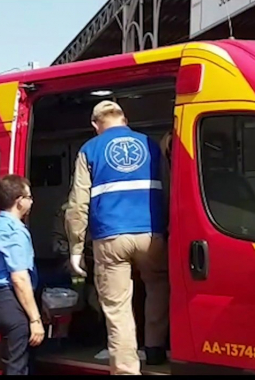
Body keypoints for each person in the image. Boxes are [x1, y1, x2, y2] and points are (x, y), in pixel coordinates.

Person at [65, 100, 170, 375]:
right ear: (124, 119)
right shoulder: (150, 145)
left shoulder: (89, 149)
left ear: (95, 125)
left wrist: (76, 249)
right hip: (151, 232)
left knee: (118, 307)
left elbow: (78, 205)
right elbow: (169, 188)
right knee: (157, 287)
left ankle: (126, 370)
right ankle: (156, 350)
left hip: (110, 237)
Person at [0, 174, 44, 375]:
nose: (32, 201)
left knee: (20, 350)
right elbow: (19, 278)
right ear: (19, 201)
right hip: (5, 297)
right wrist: (35, 320)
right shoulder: (15, 231)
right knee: (21, 336)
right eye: (29, 197)